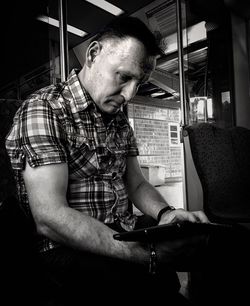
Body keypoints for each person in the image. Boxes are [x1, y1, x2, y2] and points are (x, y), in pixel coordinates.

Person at [4, 16, 235, 305]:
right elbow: (50, 218)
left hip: (122, 232)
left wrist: (166, 214)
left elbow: (136, 183)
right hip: (66, 250)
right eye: (124, 77)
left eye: (140, 83)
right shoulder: (44, 109)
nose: (130, 94)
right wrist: (147, 255)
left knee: (208, 249)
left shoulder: (118, 120)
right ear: (93, 54)